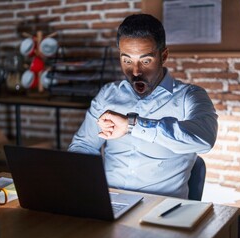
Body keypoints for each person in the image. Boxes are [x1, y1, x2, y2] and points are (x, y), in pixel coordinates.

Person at [68, 13, 218, 199]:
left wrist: (132, 125)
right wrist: (81, 185)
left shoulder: (190, 96)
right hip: (109, 202)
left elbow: (204, 140)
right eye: (127, 60)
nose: (136, 71)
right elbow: (84, 145)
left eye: (145, 61)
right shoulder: (108, 94)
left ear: (163, 56)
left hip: (163, 210)